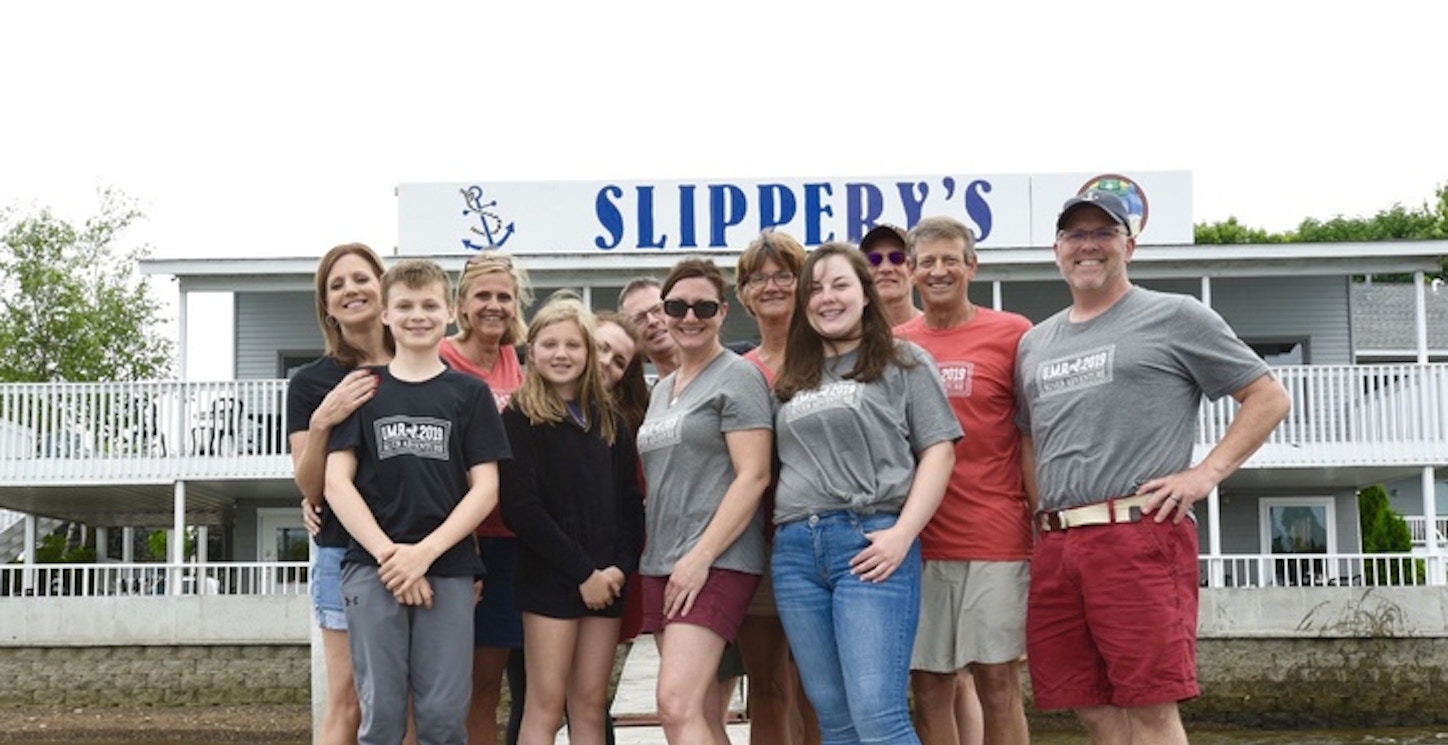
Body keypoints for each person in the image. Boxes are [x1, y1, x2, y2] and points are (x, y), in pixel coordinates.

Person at [1016, 189, 1291, 744]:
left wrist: (1205, 474)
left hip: (1137, 536)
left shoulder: (1175, 315)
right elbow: (1029, 438)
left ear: (1129, 246)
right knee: (1084, 701)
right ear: (1056, 250)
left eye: (1103, 234)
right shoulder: (1034, 343)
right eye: (1075, 234)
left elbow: (1269, 398)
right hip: (1056, 544)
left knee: (1149, 707)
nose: (1087, 246)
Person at [771, 243, 961, 745]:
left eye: (839, 285)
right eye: (814, 289)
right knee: (834, 717)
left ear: (865, 293)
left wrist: (902, 535)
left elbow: (939, 452)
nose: (826, 298)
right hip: (795, 554)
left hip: (870, 543)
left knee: (879, 716)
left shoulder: (903, 361)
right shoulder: (793, 376)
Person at [324, 259, 512, 745]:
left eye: (430, 305)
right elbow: (336, 483)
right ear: (385, 313)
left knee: (444, 718)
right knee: (381, 716)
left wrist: (423, 555)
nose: (417, 315)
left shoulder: (469, 394)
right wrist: (393, 557)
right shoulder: (365, 388)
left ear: (450, 313)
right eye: (404, 306)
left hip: (447, 570)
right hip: (373, 567)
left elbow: (486, 488)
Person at [895, 217, 1032, 745]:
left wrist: (1040, 525)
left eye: (950, 258)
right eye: (926, 261)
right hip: (917, 542)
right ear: (910, 273)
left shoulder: (1013, 333)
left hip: (995, 538)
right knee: (928, 686)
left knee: (998, 682)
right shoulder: (894, 345)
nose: (938, 270)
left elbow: (1030, 437)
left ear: (972, 265)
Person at [634, 257, 773, 745]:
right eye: (677, 306)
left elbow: (753, 475)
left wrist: (700, 557)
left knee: (675, 704)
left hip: (714, 561)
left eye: (703, 307)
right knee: (702, 711)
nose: (689, 317)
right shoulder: (662, 391)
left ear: (723, 311)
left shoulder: (738, 376)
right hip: (663, 562)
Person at [500, 298, 645, 745]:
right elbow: (520, 508)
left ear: (587, 352)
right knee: (544, 705)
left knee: (589, 703)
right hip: (552, 580)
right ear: (531, 350)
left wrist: (618, 568)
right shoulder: (520, 418)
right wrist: (583, 571)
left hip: (606, 583)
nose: (561, 354)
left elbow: (630, 505)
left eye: (572, 345)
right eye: (549, 344)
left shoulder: (611, 423)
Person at [288, 242, 392, 745]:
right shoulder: (311, 382)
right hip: (341, 550)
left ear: (382, 285)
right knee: (348, 699)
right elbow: (310, 486)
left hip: (418, 550)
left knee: (411, 698)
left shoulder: (420, 361)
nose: (351, 289)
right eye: (337, 285)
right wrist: (324, 418)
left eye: (360, 278)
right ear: (327, 306)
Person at [733, 230, 819, 745]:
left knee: (819, 688)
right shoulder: (735, 371)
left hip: (819, 538)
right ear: (743, 293)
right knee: (765, 685)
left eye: (783, 274)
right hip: (755, 543)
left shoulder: (831, 358)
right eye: (757, 278)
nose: (770, 286)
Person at [443, 251, 533, 745]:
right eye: (483, 295)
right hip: (462, 542)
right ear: (461, 303)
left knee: (498, 683)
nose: (494, 305)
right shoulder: (440, 358)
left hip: (516, 538)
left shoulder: (517, 362)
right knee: (465, 685)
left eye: (504, 296)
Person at [860, 224, 921, 327]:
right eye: (874, 260)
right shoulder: (851, 336)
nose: (885, 269)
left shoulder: (938, 330)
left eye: (897, 258)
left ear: (914, 270)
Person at [619, 278, 680, 377]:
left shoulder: (713, 373)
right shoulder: (649, 392)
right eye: (639, 318)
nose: (652, 321)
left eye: (658, 310)